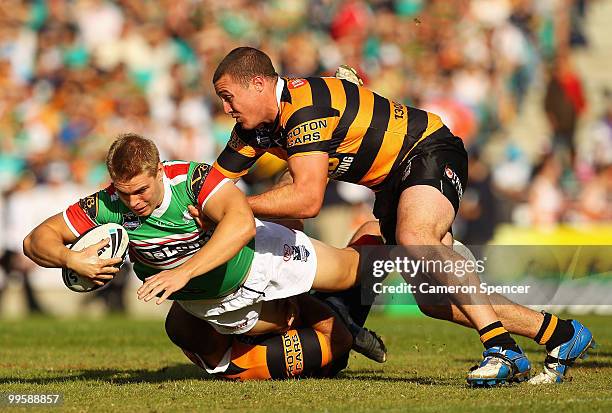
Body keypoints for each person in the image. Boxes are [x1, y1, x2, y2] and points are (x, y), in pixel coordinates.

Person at [207, 46, 594, 385]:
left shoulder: (304, 107)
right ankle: (559, 333)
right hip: (392, 182)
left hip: (426, 149)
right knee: (432, 298)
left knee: (417, 237)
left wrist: (234, 211)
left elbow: (307, 200)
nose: (226, 108)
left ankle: (502, 350)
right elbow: (212, 186)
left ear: (258, 84)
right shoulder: (254, 129)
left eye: (228, 96)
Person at [22, 133, 386, 371]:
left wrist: (184, 272)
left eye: (141, 190)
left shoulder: (191, 179)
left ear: (159, 171)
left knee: (353, 270)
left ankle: (403, 236)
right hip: (218, 301)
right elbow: (36, 240)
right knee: (292, 330)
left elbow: (241, 222)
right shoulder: (107, 204)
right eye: (124, 192)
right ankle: (342, 325)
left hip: (262, 257)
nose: (133, 202)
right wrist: (72, 258)